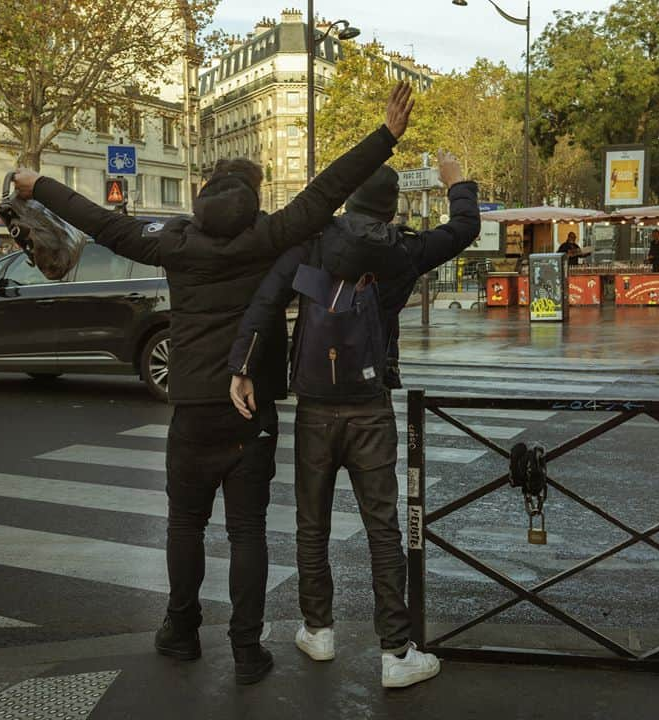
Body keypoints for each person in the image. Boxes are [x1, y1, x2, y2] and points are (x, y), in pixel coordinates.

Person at [9, 82, 416, 686]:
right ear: (253, 198)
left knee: (184, 524)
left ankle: (180, 629)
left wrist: (35, 185)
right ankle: (248, 650)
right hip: (250, 407)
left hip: (193, 405)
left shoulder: (175, 243)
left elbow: (104, 224)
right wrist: (385, 135)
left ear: (201, 199)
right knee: (248, 530)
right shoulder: (269, 235)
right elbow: (329, 186)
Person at [227, 151, 480, 688]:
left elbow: (265, 302)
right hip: (369, 406)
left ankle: (318, 630)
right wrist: (457, 183)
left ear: (349, 198)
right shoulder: (404, 250)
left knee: (311, 523)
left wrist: (242, 368)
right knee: (382, 529)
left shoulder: (312, 242)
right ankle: (395, 652)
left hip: (316, 405)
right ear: (390, 209)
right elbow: (463, 229)